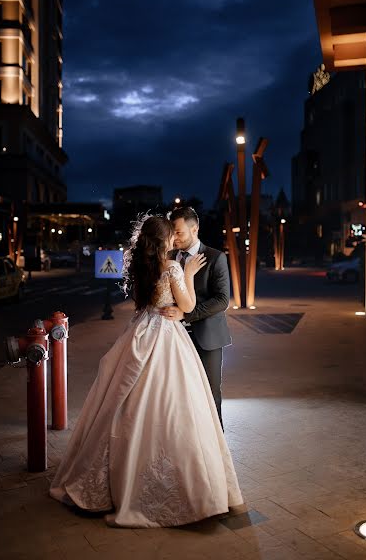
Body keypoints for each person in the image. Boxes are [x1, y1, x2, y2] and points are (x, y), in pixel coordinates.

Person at [50, 214, 242, 528]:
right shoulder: (173, 266)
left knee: (127, 402)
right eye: (173, 234)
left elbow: (153, 303)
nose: (176, 239)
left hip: (141, 332)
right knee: (175, 405)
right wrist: (189, 275)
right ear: (166, 239)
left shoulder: (144, 266)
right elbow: (189, 306)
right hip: (167, 337)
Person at [160, 207, 230, 428]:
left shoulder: (215, 257)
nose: (174, 237)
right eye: (172, 232)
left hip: (207, 337)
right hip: (174, 336)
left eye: (178, 232)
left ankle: (217, 444)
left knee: (210, 392)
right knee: (179, 392)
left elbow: (222, 300)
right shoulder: (169, 257)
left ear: (194, 229)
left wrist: (186, 314)